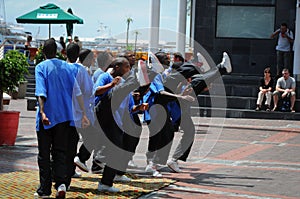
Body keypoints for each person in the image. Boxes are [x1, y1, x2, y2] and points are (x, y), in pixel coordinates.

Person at [34, 39, 89, 198]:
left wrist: (43, 112)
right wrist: (83, 113)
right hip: (66, 117)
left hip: (48, 118)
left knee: (44, 154)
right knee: (60, 152)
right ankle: (61, 184)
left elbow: (41, 92)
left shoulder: (41, 67)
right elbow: (77, 92)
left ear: (43, 52)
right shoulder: (68, 67)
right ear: (57, 52)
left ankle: (44, 190)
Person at [165, 52, 232, 173]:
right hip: (173, 105)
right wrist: (180, 95)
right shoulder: (164, 75)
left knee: (189, 132)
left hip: (178, 105)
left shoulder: (172, 76)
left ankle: (173, 159)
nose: (168, 59)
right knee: (188, 79)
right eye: (165, 58)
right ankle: (211, 67)